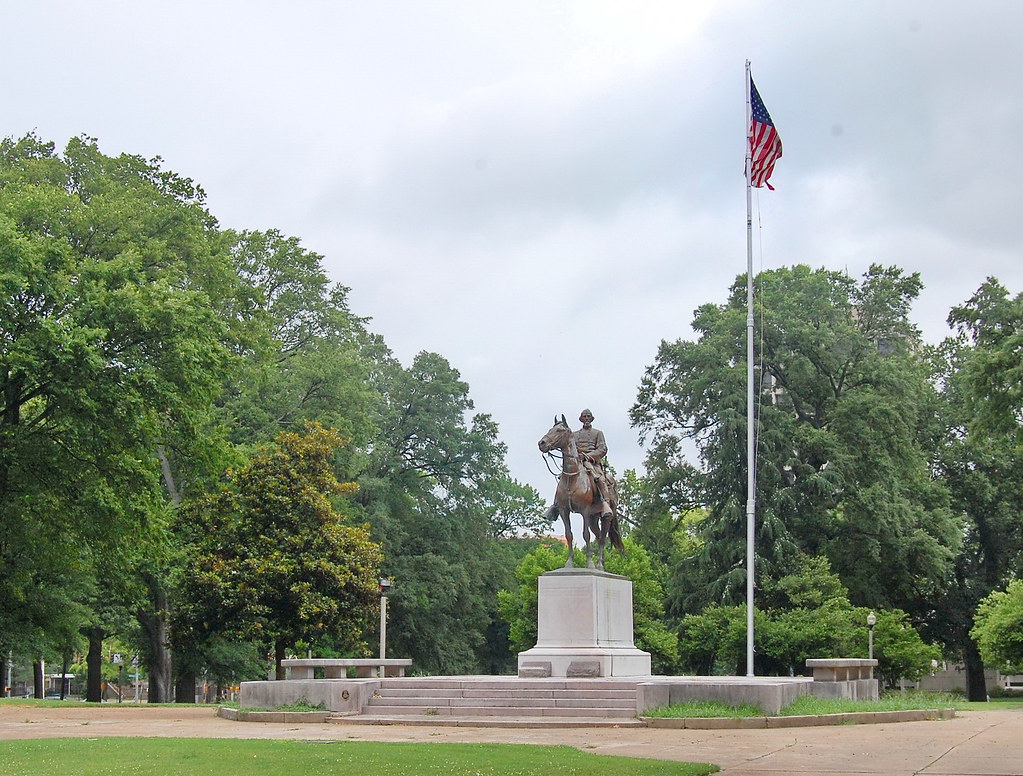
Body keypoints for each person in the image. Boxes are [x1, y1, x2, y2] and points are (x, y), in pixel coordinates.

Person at [574, 409, 614, 519]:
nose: (586, 418)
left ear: (591, 419)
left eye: (588, 416)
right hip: (577, 463)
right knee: (564, 478)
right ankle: (556, 505)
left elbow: (602, 449)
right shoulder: (574, 435)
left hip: (593, 463)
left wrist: (588, 456)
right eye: (584, 417)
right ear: (581, 419)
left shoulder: (598, 433)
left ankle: (605, 503)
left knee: (600, 479)